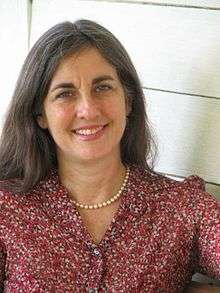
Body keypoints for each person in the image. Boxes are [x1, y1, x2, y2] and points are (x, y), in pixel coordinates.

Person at [0, 19, 219, 293]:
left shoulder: (182, 209)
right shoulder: (8, 208)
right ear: (40, 114)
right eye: (65, 93)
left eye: (102, 87)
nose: (88, 110)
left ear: (128, 100)